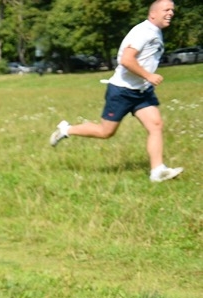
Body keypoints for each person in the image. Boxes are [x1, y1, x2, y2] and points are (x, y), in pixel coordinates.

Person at [49, 0, 183, 183]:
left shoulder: (155, 31)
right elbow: (126, 60)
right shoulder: (143, 32)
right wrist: (148, 76)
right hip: (122, 91)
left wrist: (145, 80)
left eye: (172, 10)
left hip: (141, 91)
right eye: (166, 10)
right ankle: (66, 130)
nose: (171, 13)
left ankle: (157, 171)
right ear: (153, 14)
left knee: (156, 125)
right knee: (106, 132)